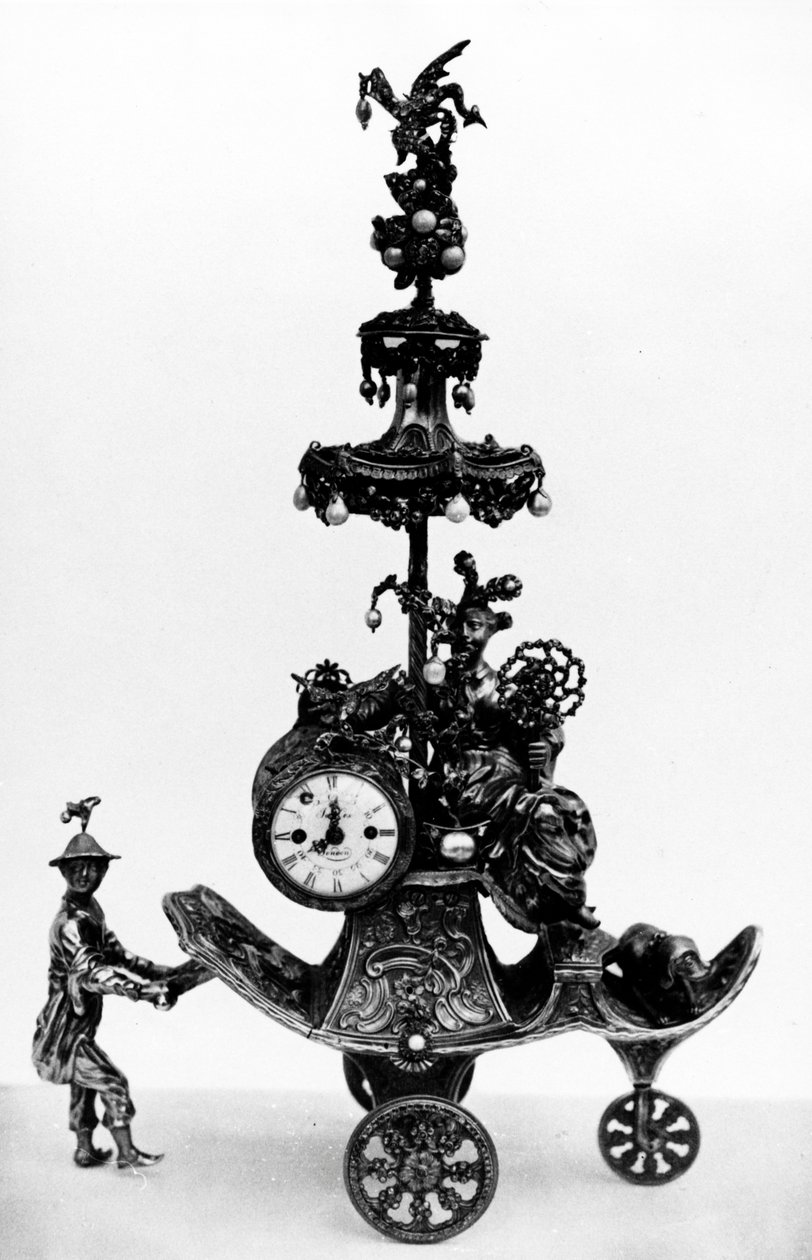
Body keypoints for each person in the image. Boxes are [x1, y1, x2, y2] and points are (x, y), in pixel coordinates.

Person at [33, 805, 189, 1169]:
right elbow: (92, 973)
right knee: (112, 1081)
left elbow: (116, 953)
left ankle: (84, 1150)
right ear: (63, 872)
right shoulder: (69, 924)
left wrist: (159, 972)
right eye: (76, 868)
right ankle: (127, 1153)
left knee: (84, 1084)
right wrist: (143, 991)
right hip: (64, 1028)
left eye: (93, 867)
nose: (85, 874)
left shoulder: (91, 910)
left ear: (104, 870)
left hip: (78, 1023)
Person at [433, 601, 599, 931]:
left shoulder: (503, 688)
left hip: (506, 772)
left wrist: (544, 746)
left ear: (490, 632)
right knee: (539, 812)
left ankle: (562, 900)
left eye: (475, 626)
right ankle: (559, 901)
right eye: (459, 625)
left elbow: (546, 727)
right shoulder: (432, 680)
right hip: (461, 778)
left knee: (562, 809)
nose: (464, 634)